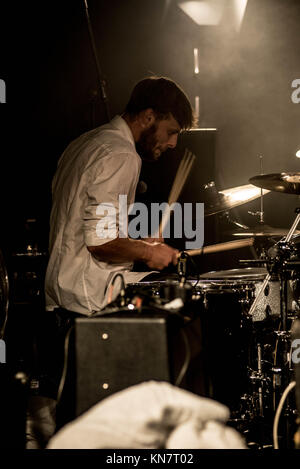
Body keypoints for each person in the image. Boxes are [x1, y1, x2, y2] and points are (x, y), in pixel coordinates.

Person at [44, 76, 194, 316]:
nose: (174, 143)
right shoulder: (121, 155)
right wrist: (149, 252)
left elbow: (86, 227)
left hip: (60, 295)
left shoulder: (83, 143)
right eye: (171, 132)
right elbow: (99, 242)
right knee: (183, 305)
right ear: (148, 117)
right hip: (91, 300)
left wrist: (141, 244)